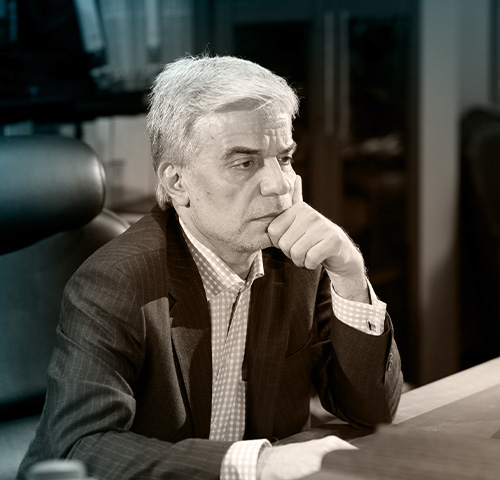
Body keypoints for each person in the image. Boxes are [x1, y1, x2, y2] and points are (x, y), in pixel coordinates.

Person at [18, 54, 403, 480]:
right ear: (176, 182)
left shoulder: (296, 258)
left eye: (285, 158)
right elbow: (79, 448)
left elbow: (371, 411)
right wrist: (260, 463)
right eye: (244, 163)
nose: (280, 185)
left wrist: (349, 274)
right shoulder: (116, 282)